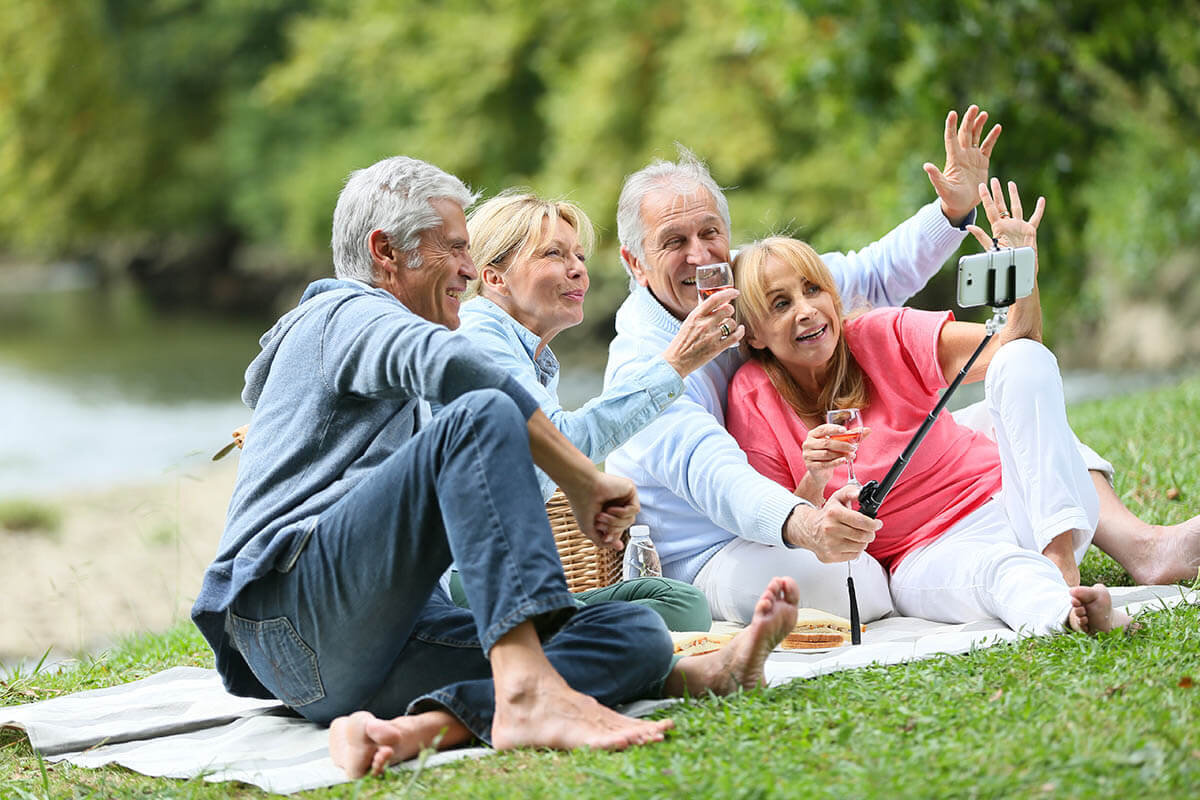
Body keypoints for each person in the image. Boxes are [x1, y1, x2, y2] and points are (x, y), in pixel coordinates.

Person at [190, 155, 800, 780]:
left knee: (635, 631)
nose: (465, 267)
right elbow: (459, 376)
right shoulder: (341, 313)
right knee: (481, 411)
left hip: (357, 658)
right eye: (454, 248)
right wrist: (582, 478)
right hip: (289, 615)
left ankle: (427, 727)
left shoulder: (428, 347)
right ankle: (528, 689)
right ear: (386, 252)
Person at [603, 108, 1198, 627]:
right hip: (720, 545)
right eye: (673, 241)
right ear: (634, 261)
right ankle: (1040, 594)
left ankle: (1130, 550)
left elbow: (873, 276)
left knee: (1015, 397)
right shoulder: (651, 365)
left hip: (905, 504)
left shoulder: (757, 283)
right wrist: (808, 522)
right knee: (856, 583)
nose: (700, 254)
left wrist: (954, 210)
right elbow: (716, 476)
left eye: (711, 233)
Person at [725, 179, 1132, 636]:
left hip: (1020, 508)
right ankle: (1067, 613)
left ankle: (1060, 567)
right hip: (927, 553)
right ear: (754, 333)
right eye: (781, 304)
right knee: (997, 571)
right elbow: (782, 524)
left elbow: (1016, 348)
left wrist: (1024, 269)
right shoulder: (751, 395)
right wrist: (815, 477)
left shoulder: (881, 333)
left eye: (813, 290)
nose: (806, 310)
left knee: (1023, 358)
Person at [446, 189, 739, 631]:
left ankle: (573, 636)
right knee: (661, 622)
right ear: (495, 278)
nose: (577, 268)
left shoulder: (532, 356)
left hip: (517, 576)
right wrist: (675, 364)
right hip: (466, 581)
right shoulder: (479, 335)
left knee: (680, 603)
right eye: (554, 254)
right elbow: (562, 442)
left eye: (579, 255)